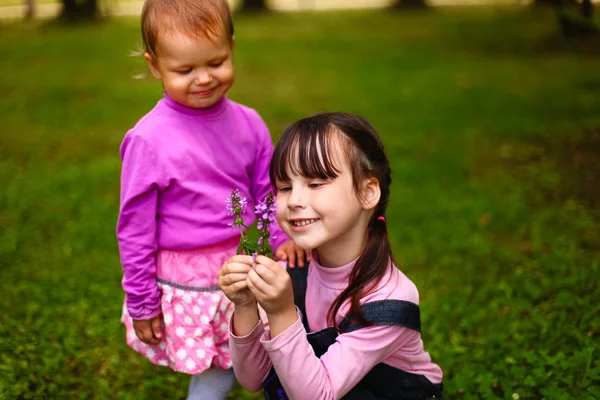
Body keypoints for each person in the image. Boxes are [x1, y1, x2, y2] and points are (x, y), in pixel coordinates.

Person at [116, 0, 308, 398]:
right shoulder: (149, 139)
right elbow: (134, 229)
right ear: (155, 66)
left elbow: (265, 193)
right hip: (187, 279)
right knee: (217, 368)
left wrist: (280, 238)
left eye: (216, 62)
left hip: (241, 266)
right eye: (185, 70)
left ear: (231, 47)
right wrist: (142, 300)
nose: (203, 78)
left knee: (255, 354)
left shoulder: (249, 123)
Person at [218, 112, 444, 399]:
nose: (296, 201)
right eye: (285, 187)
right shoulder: (292, 268)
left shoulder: (389, 298)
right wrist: (246, 305)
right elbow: (254, 378)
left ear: (367, 192)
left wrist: (281, 312)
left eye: (315, 184)